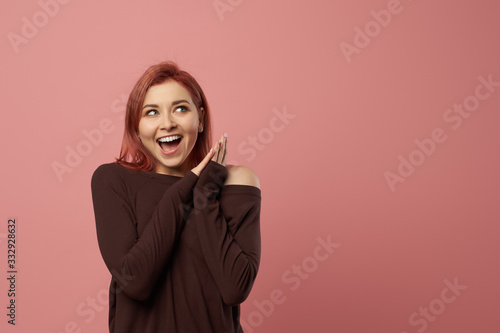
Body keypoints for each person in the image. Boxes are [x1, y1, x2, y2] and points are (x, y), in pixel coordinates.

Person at [90, 61, 261, 332]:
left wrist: (206, 192)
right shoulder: (112, 180)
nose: (167, 123)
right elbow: (135, 281)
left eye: (180, 109)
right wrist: (191, 183)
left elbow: (235, 288)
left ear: (201, 118)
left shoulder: (235, 181)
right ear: (136, 125)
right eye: (151, 112)